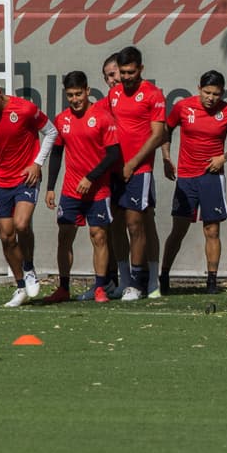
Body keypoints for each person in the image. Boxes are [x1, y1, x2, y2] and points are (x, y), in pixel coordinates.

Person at [159, 70, 227, 296]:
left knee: (212, 230)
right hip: (187, 178)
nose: (211, 98)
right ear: (198, 88)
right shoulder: (183, 107)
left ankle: (211, 281)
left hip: (211, 177)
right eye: (207, 92)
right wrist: (166, 158)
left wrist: (223, 157)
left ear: (222, 93)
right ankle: (164, 276)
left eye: (216, 94)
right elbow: (166, 130)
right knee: (178, 230)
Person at [0, 73, 57, 307]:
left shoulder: (25, 109)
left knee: (21, 224)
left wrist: (37, 163)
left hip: (26, 176)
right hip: (2, 179)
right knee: (6, 236)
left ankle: (29, 267)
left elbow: (51, 132)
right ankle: (21, 286)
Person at [43, 71, 121, 304]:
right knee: (64, 237)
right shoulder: (62, 120)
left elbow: (114, 154)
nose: (75, 99)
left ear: (88, 91)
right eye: (70, 95)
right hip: (70, 190)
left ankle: (100, 288)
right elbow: (56, 153)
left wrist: (91, 177)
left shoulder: (103, 117)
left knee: (99, 236)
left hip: (98, 190)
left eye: (78, 94)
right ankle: (63, 288)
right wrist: (50, 187)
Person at [106, 46, 168, 301]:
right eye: (122, 72)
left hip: (139, 169)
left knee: (136, 223)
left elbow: (157, 135)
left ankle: (140, 282)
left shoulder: (153, 95)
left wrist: (132, 163)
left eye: (131, 72)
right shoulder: (114, 94)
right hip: (115, 169)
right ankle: (125, 280)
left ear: (141, 69)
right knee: (116, 224)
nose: (126, 77)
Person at [100, 53, 130, 298]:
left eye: (115, 74)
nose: (113, 80)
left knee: (138, 223)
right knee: (108, 226)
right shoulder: (104, 105)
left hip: (133, 170)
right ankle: (110, 280)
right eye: (108, 77)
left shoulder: (140, 97)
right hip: (110, 172)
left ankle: (144, 280)